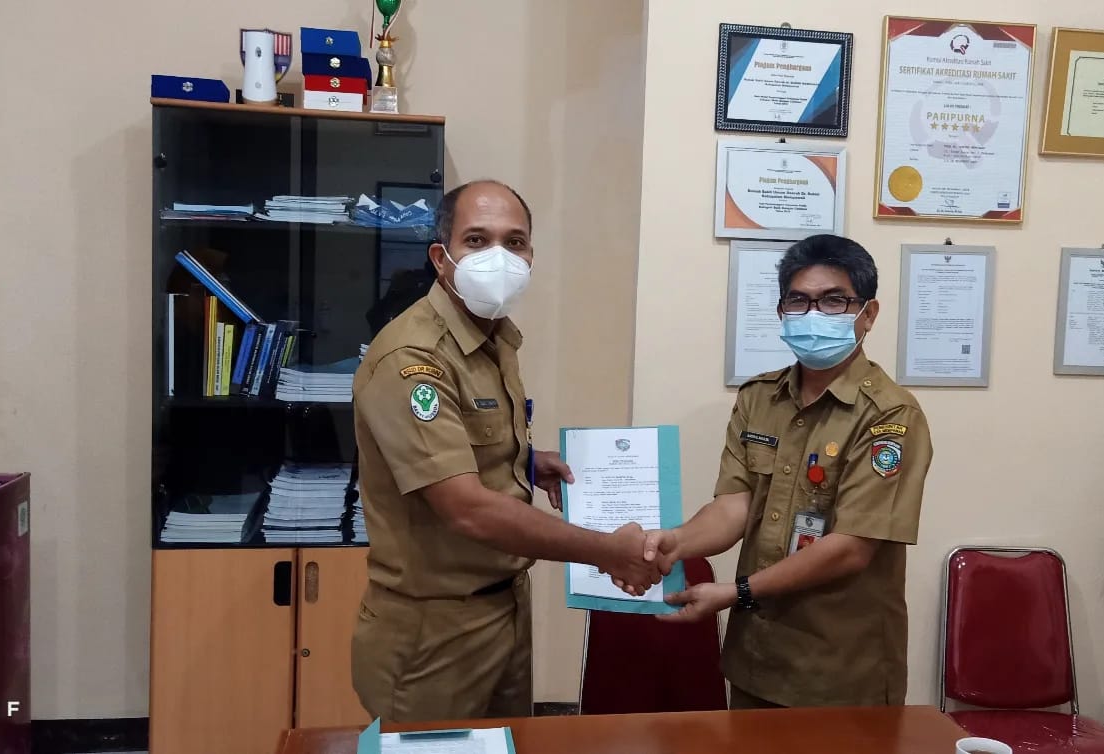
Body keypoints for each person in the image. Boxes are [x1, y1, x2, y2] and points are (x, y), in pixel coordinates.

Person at [350, 179, 660, 723]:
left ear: (531, 257)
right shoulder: (414, 358)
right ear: (441, 258)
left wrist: (524, 462)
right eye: (476, 240)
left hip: (504, 609)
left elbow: (469, 439)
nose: (499, 256)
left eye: (514, 242)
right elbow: (466, 508)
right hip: (435, 633)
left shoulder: (493, 338)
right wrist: (607, 551)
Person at [637, 234, 933, 709]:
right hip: (757, 659)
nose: (813, 313)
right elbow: (733, 506)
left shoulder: (889, 416)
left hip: (841, 670)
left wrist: (736, 592)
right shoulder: (759, 398)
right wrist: (676, 542)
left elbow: (851, 548)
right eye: (799, 300)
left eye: (834, 300)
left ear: (868, 313)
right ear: (781, 311)